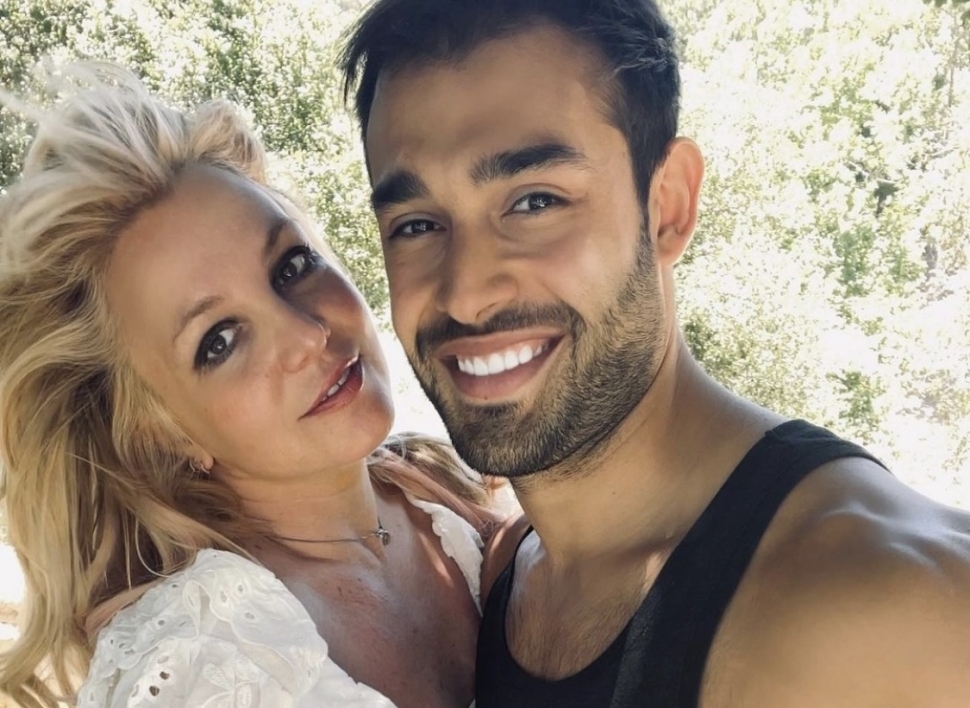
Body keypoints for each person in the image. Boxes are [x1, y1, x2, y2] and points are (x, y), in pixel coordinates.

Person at [339, 1, 970, 705]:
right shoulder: (508, 573)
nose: (465, 294)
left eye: (535, 201)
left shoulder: (887, 612)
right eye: (417, 224)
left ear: (668, 205)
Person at [0, 63, 501, 708]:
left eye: (291, 265)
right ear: (160, 431)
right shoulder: (196, 666)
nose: (308, 335)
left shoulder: (446, 489)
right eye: (219, 340)